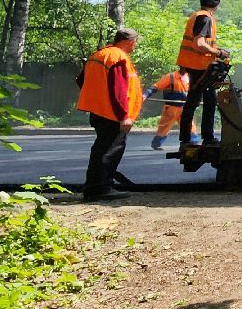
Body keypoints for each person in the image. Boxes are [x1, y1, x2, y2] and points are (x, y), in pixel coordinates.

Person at [76, 28, 143, 203]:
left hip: (99, 110)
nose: (135, 46)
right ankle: (100, 189)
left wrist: (97, 98)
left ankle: (95, 187)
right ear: (130, 41)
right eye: (135, 42)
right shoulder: (118, 58)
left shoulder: (98, 55)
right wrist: (123, 116)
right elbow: (118, 90)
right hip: (112, 113)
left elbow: (81, 80)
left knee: (100, 149)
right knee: (109, 151)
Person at [177, 0, 228, 146]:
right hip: (200, 67)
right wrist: (219, 52)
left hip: (193, 65)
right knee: (206, 101)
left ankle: (188, 138)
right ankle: (207, 138)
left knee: (194, 101)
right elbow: (199, 44)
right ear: (217, 4)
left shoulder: (196, 15)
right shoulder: (205, 18)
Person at [145, 67, 190, 149]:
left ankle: (193, 142)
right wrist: (146, 94)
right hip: (171, 107)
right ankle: (157, 143)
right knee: (164, 126)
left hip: (185, 107)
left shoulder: (189, 77)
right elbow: (156, 87)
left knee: (189, 126)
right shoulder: (171, 77)